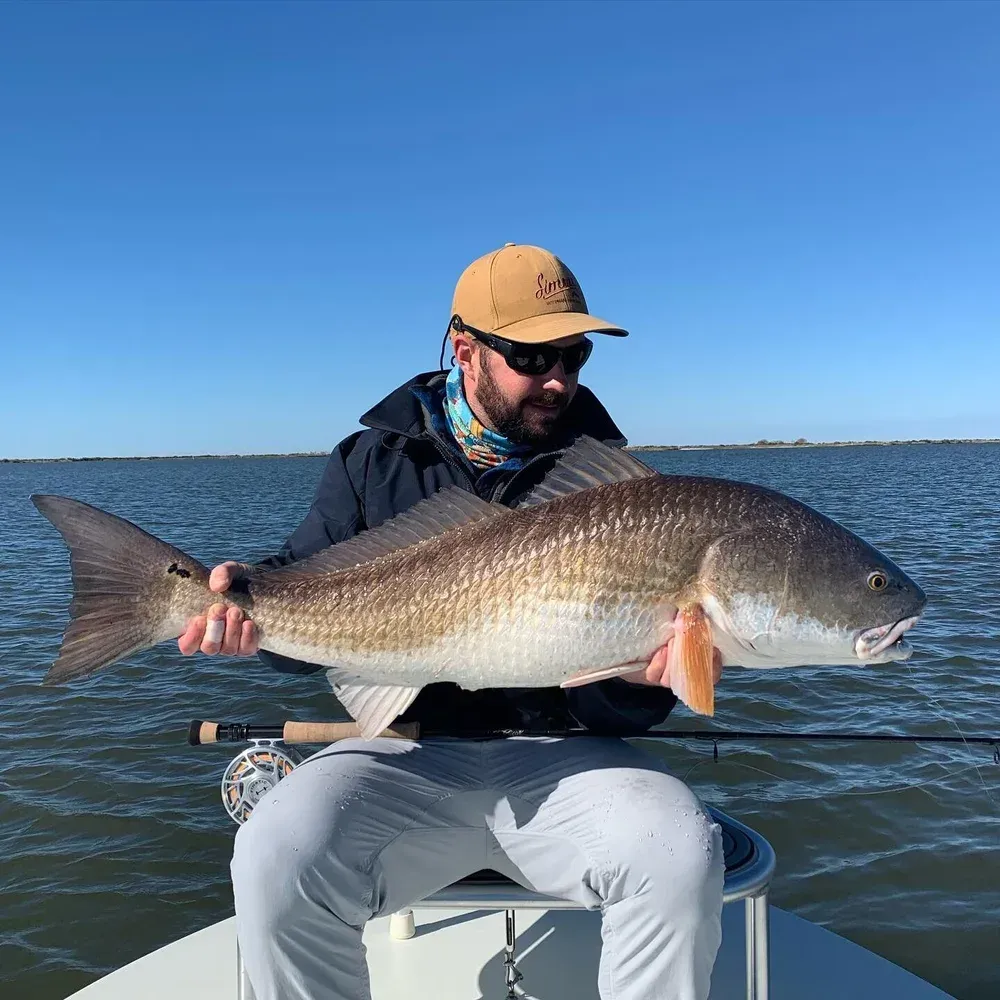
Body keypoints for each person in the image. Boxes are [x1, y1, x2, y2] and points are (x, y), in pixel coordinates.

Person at [179, 244, 726, 1000]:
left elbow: (617, 707)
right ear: (465, 349)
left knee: (680, 855)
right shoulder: (371, 463)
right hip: (405, 752)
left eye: (574, 354)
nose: (559, 378)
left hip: (566, 758)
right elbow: (299, 595)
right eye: (533, 355)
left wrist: (637, 682)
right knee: (274, 848)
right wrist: (251, 618)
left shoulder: (619, 487)